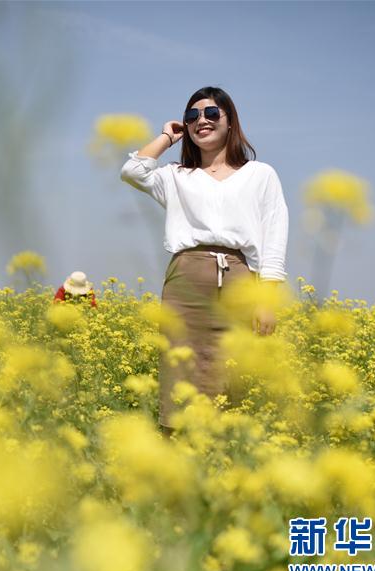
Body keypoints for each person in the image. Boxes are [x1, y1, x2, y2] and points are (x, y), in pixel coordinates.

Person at [120, 86, 289, 432]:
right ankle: (177, 460)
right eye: (192, 116)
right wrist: (167, 136)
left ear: (230, 122)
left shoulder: (261, 175)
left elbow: (274, 235)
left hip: (240, 279)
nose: (202, 121)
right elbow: (133, 171)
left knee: (234, 373)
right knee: (179, 370)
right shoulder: (176, 176)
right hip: (186, 279)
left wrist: (267, 299)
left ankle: (225, 463)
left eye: (212, 114)